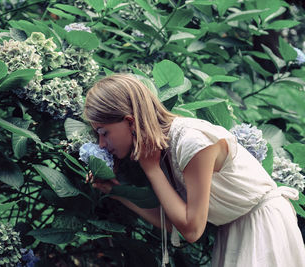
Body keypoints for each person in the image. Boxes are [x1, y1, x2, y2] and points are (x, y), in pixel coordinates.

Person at [83, 73, 305, 267]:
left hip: (263, 226)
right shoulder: (163, 148)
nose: (101, 143)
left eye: (104, 132)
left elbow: (192, 230)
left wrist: (152, 170)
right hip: (235, 229)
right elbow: (176, 223)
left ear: (130, 122)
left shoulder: (191, 142)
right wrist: (116, 192)